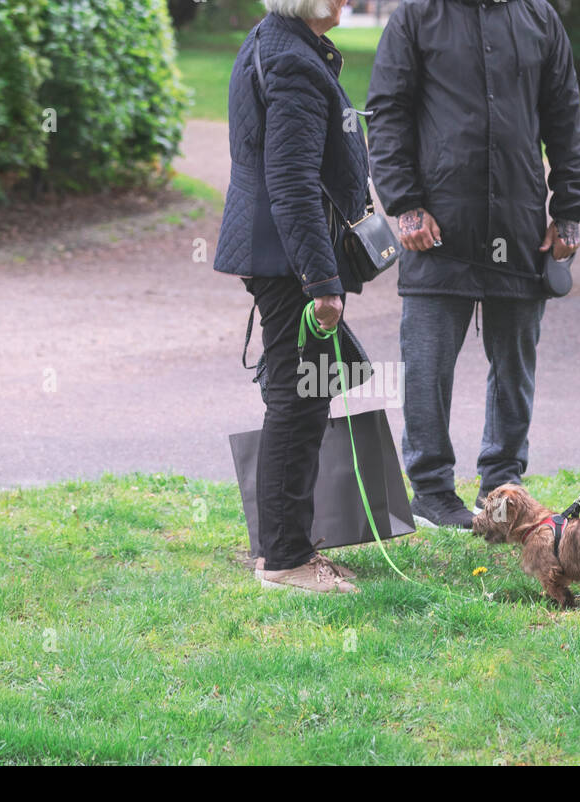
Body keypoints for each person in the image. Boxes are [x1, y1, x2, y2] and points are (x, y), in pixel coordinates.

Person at [366, 0, 580, 529]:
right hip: (436, 229)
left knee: (514, 368)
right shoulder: (416, 15)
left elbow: (564, 115)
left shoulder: (540, 17)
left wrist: (569, 211)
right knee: (427, 367)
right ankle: (431, 492)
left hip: (520, 226)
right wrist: (404, 203)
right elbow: (388, 113)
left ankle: (502, 489)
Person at [214, 0, 370, 594]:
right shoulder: (293, 61)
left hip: (277, 252)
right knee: (299, 402)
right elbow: (292, 180)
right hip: (286, 259)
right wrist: (323, 283)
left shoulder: (273, 41)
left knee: (302, 395)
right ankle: (286, 561)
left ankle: (287, 547)